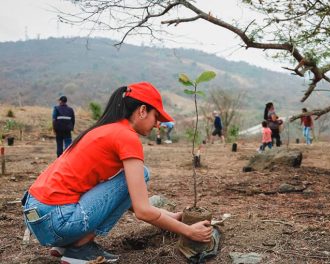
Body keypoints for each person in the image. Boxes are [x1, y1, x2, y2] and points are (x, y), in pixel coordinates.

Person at [21, 82, 212, 263]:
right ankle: (79, 248)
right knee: (142, 174)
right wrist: (188, 231)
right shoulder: (126, 137)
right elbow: (142, 210)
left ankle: (67, 245)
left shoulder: (103, 130)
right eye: (156, 117)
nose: (157, 125)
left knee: (130, 181)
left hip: (38, 217)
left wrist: (169, 216)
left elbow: (118, 198)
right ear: (142, 110)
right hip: (57, 221)